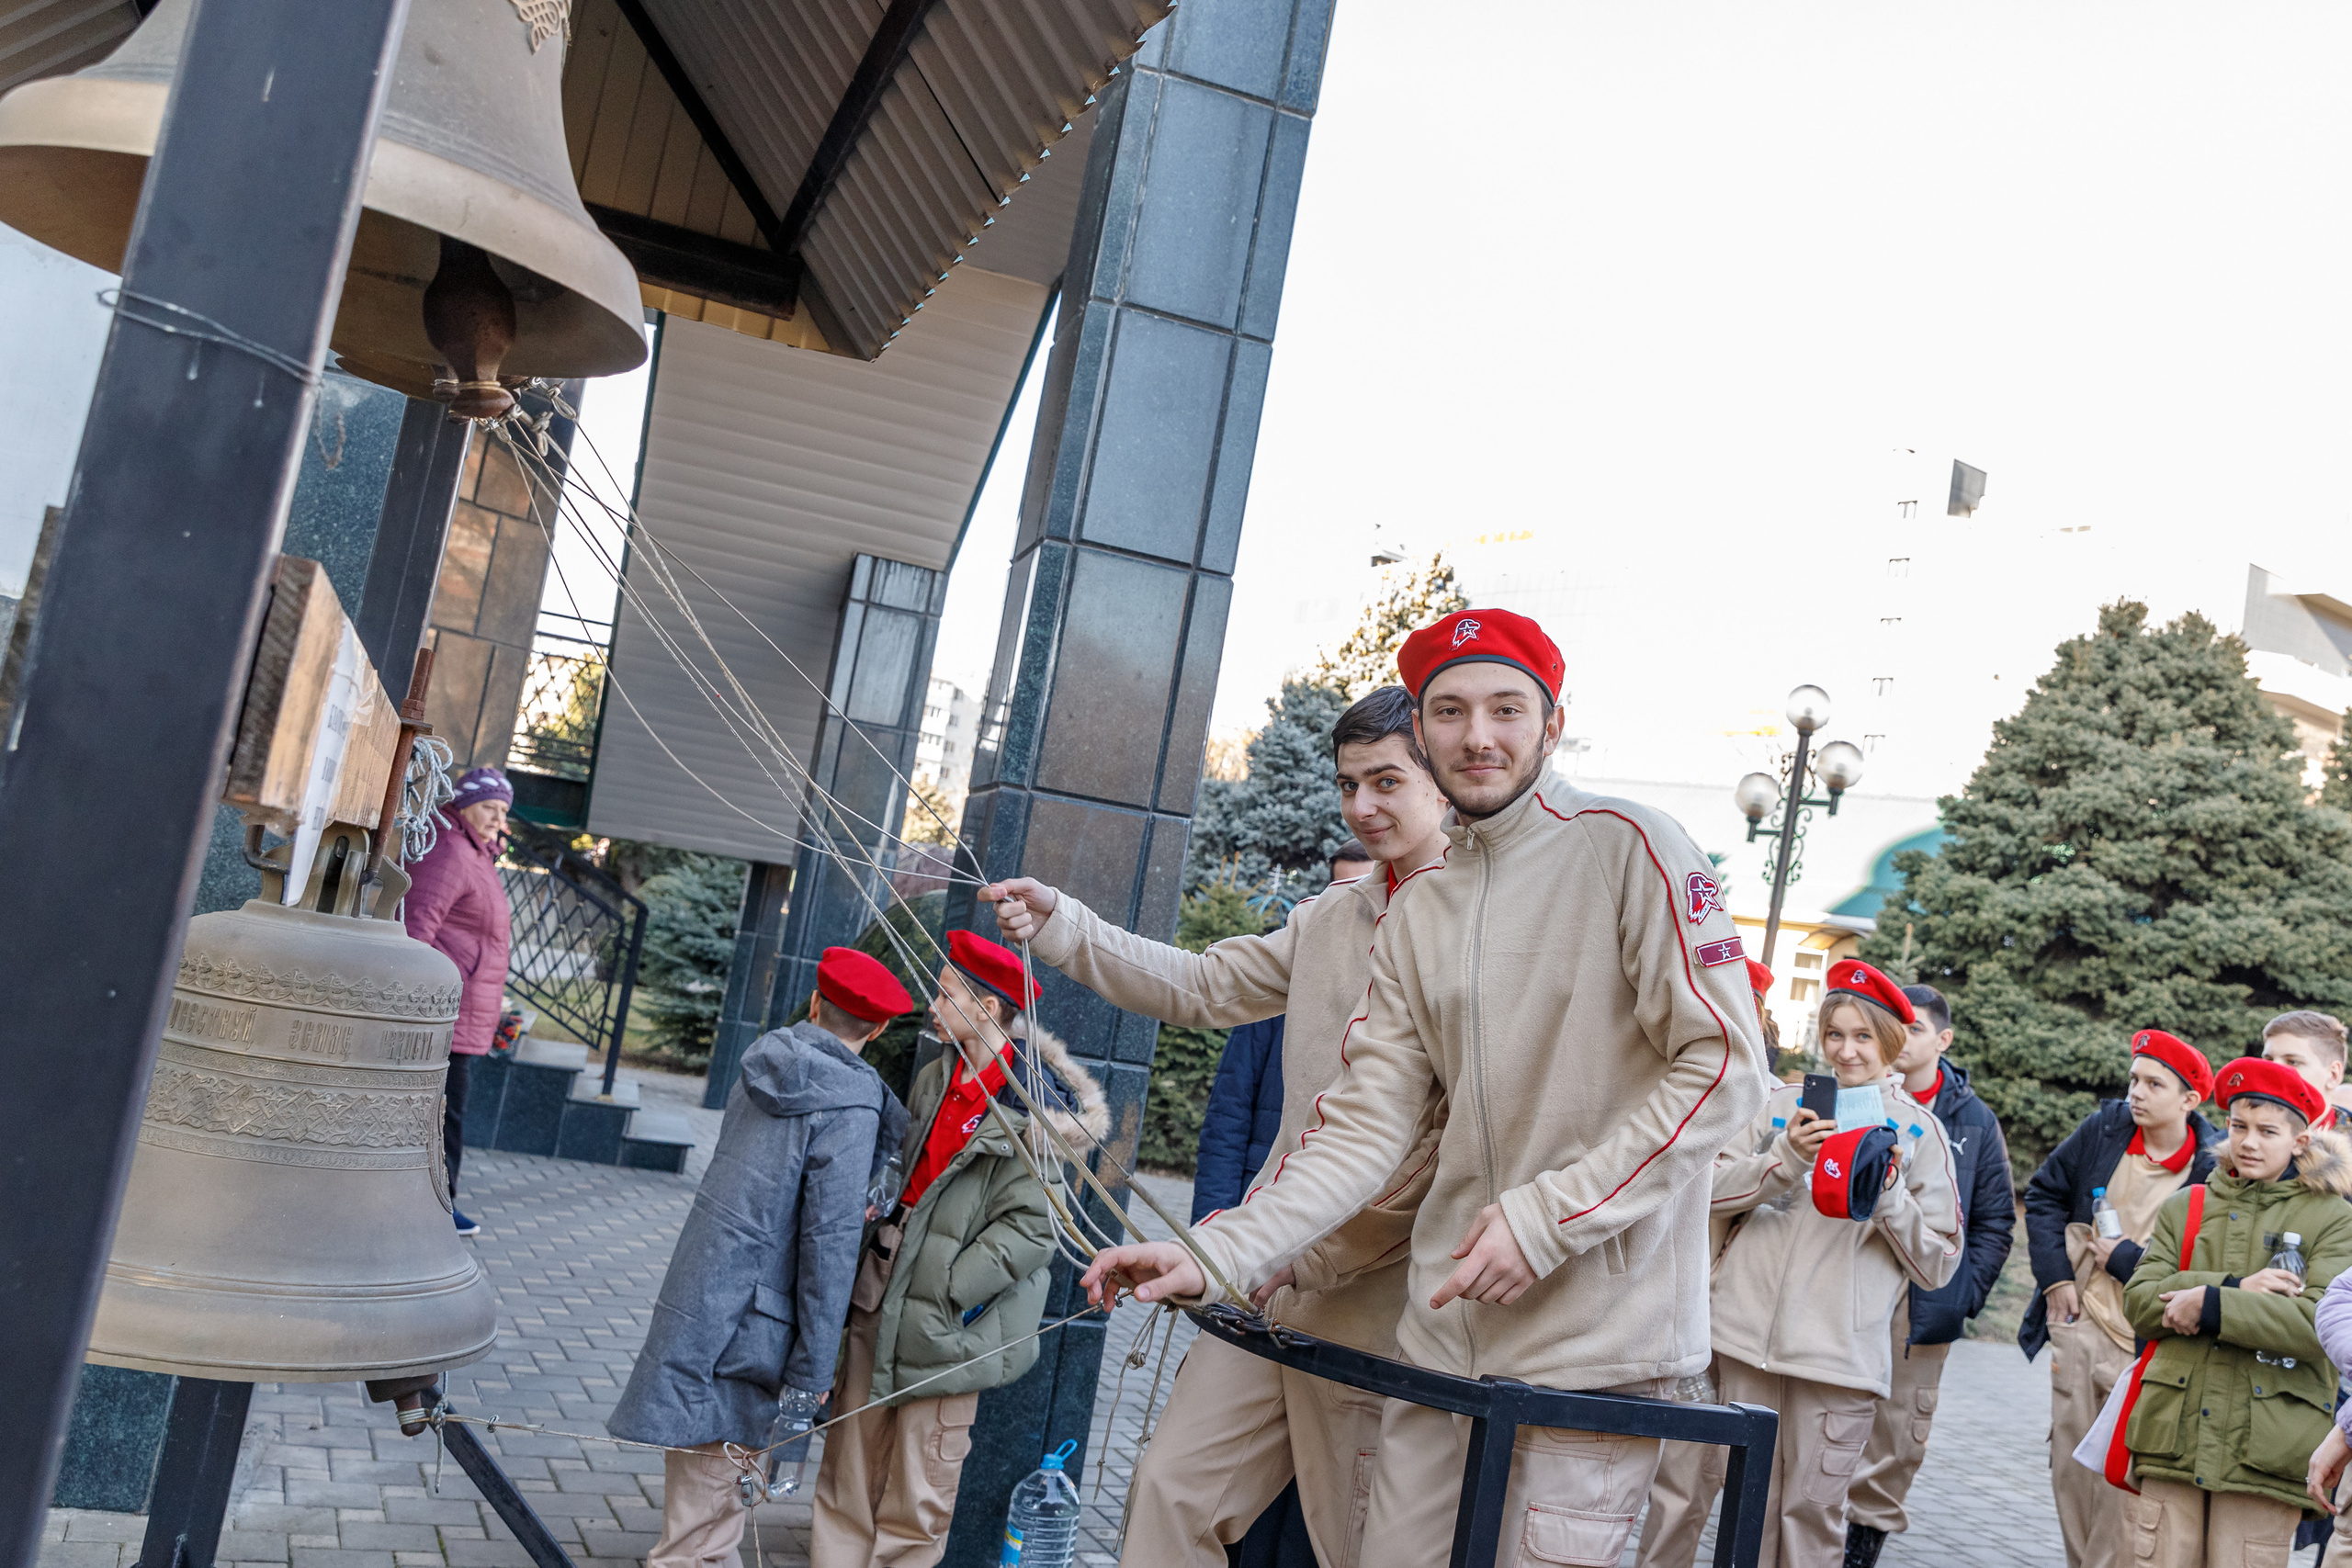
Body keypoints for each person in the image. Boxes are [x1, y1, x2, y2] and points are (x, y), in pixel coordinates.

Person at [1073, 607, 1772, 1568]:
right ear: (1426, 728)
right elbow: (1362, 1128)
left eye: (1505, 708)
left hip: (1594, 1349)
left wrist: (1548, 1219)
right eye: (1449, 711)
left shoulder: (1631, 845)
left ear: (1553, 723)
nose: (1477, 735)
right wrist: (1218, 1253)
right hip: (1438, 1339)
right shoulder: (1417, 910)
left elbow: (1725, 1066)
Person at [984, 692, 1453, 1568]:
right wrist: (1063, 927)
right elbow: (1204, 983)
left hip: (1384, 1301)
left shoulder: (1481, 928)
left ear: (1443, 779)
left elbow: (1428, 1148)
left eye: (1387, 781)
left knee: (1361, 1543)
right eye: (1348, 783)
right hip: (1267, 1276)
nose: (1361, 805)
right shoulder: (1332, 915)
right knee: (1170, 1493)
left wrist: (1295, 1253)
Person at [1634, 962, 1962, 1568]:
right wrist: (1783, 1159)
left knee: (1809, 1523)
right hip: (1738, 1344)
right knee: (1730, 1512)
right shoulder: (1780, 1105)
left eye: (1863, 1036)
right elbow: (1703, 1191)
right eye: (1835, 1034)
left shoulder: (1920, 1132)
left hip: (1836, 1363)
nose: (1846, 1050)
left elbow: (1939, 1262)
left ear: (1891, 1040)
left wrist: (1888, 1195)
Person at [608, 947, 914, 1568]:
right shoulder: (851, 1104)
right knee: (703, 1520)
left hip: (706, 1289)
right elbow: (829, 1247)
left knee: (702, 1487)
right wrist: (814, 1368)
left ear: (814, 1003)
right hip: (761, 1320)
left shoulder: (765, 1063)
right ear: (880, 1029)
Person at [810, 930, 1108, 1568]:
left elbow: (1034, 1227)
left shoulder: (1031, 1108)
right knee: (848, 1458)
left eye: (946, 994)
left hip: (950, 1321)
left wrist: (949, 1284)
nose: (933, 1005)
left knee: (921, 1481)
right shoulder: (934, 1076)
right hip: (881, 1286)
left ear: (988, 1007)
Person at [1188, 835, 1378, 1568]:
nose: (1347, 903)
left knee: (1317, 1496)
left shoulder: (1415, 991)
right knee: (1214, 1475)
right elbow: (1230, 1115)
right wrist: (1214, 1232)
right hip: (1254, 1254)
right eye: (1334, 890)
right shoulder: (1289, 981)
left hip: (1351, 1277)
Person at [2121, 1056, 2352, 1566]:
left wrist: (2208, 1305)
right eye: (2238, 1126)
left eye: (2267, 1131)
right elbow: (2138, 1303)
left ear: (2300, 1140)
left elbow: (2319, 1324)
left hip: (2266, 1452)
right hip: (2173, 1441)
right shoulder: (2187, 1206)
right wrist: (2229, 1288)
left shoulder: (2336, 1217)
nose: (2248, 1142)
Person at [2022, 1030, 2223, 1568]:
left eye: (2154, 1084)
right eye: (2134, 1079)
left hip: (2146, 1342)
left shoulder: (2213, 1165)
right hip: (2082, 1327)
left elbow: (2202, 1266)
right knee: (2069, 1475)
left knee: (2121, 1487)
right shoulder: (2105, 1129)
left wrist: (2126, 1260)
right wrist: (2056, 1280)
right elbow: (2043, 1194)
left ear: (2189, 1099)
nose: (2136, 1092)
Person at [1843, 983, 2016, 1568]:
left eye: (1915, 1028)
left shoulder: (1974, 1120)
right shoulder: (1857, 1097)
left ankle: (1859, 1552)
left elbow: (1995, 1218)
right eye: (1894, 1025)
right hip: (1849, 1290)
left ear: (1943, 1039)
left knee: (1896, 1439)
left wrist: (1961, 1296)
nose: (1903, 1037)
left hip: (1921, 1309)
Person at [401, 764, 514, 1236]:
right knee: (442, 1114)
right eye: (489, 807)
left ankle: (435, 1205)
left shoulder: (477, 854)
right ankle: (434, 1210)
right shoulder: (449, 850)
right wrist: (415, 1005)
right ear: (464, 805)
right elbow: (417, 928)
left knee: (446, 1111)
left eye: (503, 811)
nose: (497, 819)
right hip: (443, 1011)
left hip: (464, 1011)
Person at [2261, 1010, 2352, 1127]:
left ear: (2333, 1075)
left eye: (2293, 1062)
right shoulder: (2242, 1136)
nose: (2273, 1070)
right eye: (2268, 1061)